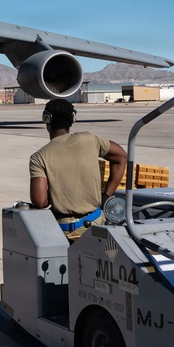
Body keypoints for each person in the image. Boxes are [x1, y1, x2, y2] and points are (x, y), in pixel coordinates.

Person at [29, 98, 128, 241]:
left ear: (47, 119)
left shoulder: (39, 157)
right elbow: (121, 157)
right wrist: (106, 195)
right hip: (96, 224)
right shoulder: (90, 139)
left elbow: (40, 201)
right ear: (72, 119)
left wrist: (59, 194)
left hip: (66, 231)